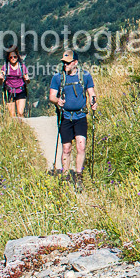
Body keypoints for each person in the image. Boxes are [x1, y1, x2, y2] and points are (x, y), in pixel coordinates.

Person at [48, 50, 96, 187]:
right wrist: (57, 101)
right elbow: (52, 96)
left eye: (68, 62)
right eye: (63, 62)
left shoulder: (85, 76)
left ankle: (78, 175)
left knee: (81, 145)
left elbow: (91, 92)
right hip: (66, 116)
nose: (65, 65)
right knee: (66, 148)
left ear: (75, 62)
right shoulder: (58, 78)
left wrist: (93, 101)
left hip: (80, 116)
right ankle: (65, 176)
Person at [0, 47, 29, 117]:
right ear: (8, 58)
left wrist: (27, 79)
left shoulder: (22, 67)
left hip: (21, 90)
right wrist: (0, 78)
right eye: (11, 57)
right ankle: (16, 127)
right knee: (12, 115)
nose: (13, 58)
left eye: (14, 57)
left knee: (20, 112)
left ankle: (22, 127)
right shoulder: (5, 67)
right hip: (9, 91)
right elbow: (0, 83)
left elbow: (27, 81)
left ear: (17, 57)